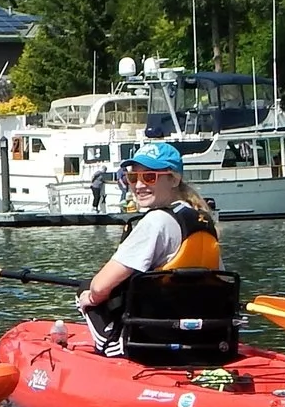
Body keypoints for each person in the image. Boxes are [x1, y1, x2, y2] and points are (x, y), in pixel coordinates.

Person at [74, 140, 225, 357]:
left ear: (173, 179)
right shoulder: (203, 220)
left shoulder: (155, 221)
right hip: (200, 334)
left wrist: (88, 299)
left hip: (153, 339)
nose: (138, 185)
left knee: (86, 288)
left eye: (149, 177)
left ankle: (108, 349)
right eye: (132, 177)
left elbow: (100, 286)